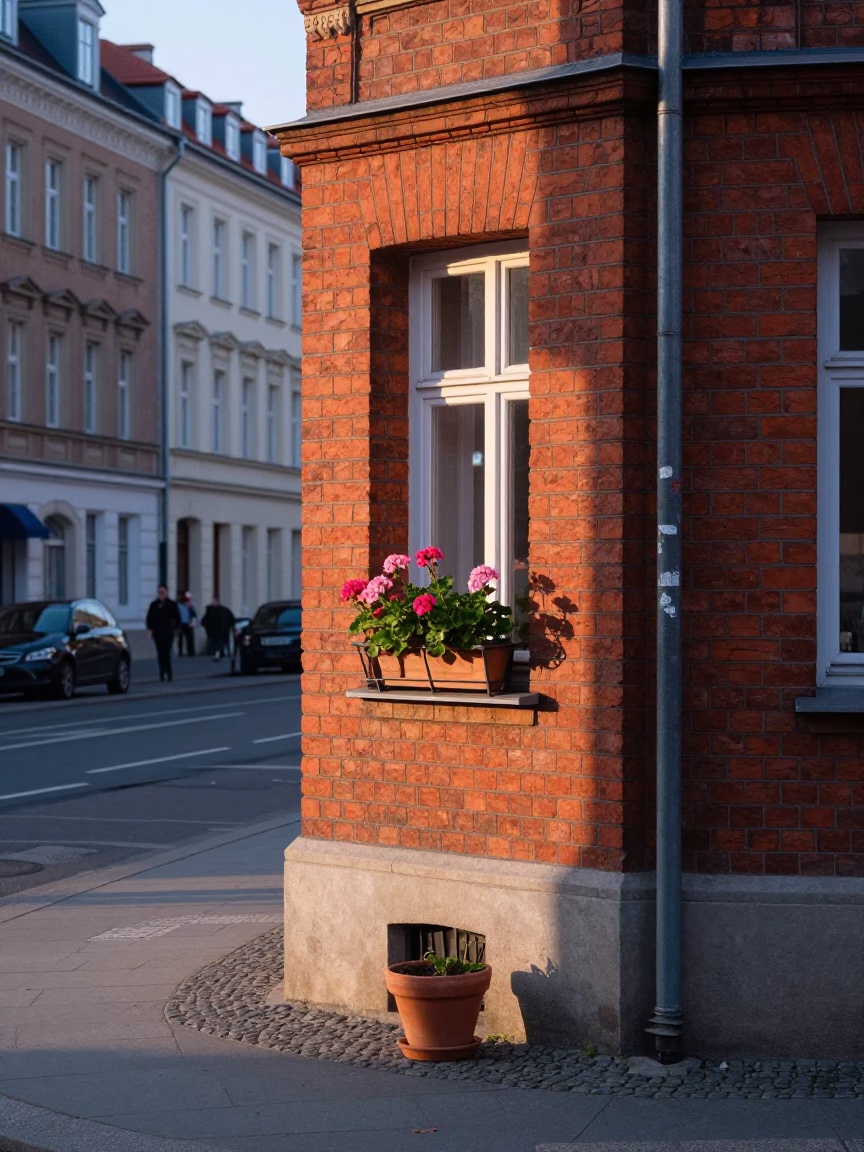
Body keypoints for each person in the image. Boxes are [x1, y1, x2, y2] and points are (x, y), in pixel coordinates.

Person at [146, 585, 181, 682]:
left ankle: (169, 672)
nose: (161, 595)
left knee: (167, 653)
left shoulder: (172, 604)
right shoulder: (154, 605)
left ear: (166, 593)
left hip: (168, 632)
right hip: (158, 632)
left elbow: (177, 618)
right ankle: (162, 672)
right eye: (159, 592)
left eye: (163, 592)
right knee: (160, 653)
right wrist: (150, 629)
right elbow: (150, 618)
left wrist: (176, 630)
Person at [201, 595, 235, 662]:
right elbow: (204, 621)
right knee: (216, 646)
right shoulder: (214, 610)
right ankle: (217, 655)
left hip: (218, 633)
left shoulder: (221, 610)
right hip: (217, 633)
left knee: (218, 646)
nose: (214, 602)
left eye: (215, 600)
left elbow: (231, 620)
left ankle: (217, 656)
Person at [176, 591, 198, 657]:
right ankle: (180, 652)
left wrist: (192, 621)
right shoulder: (179, 605)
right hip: (181, 623)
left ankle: (190, 652)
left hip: (188, 623)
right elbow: (177, 614)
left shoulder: (190, 606)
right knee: (180, 638)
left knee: (189, 638)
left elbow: (194, 614)